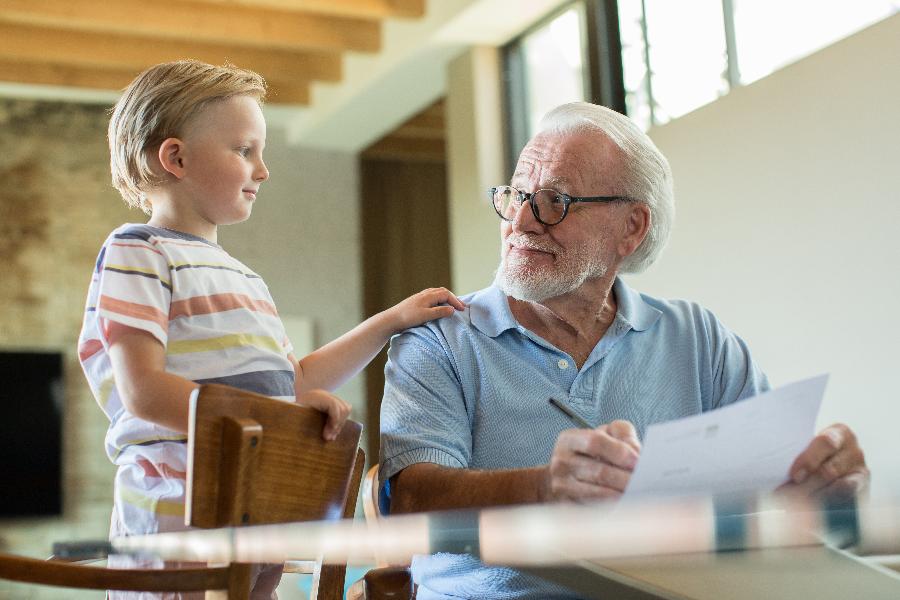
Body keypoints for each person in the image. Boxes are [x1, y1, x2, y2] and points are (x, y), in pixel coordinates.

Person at [379, 101, 869, 599]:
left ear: (631, 228)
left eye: (556, 202)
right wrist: (544, 488)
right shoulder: (438, 337)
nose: (521, 221)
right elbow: (411, 497)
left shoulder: (698, 338)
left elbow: (773, 488)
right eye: (516, 195)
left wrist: (825, 491)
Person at [77, 60, 464, 599]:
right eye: (244, 151)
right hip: (175, 516)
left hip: (257, 513)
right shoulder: (137, 252)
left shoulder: (246, 279)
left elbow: (292, 381)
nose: (263, 170)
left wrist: (390, 322)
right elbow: (145, 394)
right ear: (176, 157)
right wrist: (280, 421)